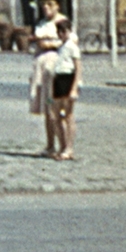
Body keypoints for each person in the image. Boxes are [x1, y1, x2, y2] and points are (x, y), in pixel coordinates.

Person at [29, 0, 63, 155]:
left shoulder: (62, 21)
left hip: (54, 63)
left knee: (54, 107)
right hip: (40, 64)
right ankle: (50, 145)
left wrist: (47, 43)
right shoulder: (42, 22)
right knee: (45, 106)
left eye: (50, 4)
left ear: (57, 6)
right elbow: (37, 39)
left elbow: (64, 42)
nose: (46, 7)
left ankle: (63, 145)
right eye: (44, 5)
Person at [48, 17, 81, 160]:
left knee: (68, 116)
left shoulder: (72, 47)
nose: (61, 34)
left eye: (64, 31)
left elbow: (78, 68)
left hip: (68, 79)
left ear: (69, 31)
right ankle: (62, 147)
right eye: (59, 31)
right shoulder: (61, 47)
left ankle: (69, 148)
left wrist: (74, 88)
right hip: (58, 79)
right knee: (55, 116)